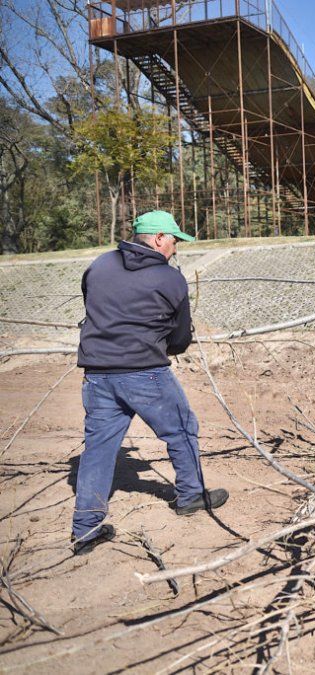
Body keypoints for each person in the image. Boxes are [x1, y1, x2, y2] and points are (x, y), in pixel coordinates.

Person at [72, 210, 228, 554]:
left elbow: (93, 308)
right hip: (145, 372)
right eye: (174, 241)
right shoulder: (169, 278)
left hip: (97, 374)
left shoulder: (100, 265)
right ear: (159, 238)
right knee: (182, 429)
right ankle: (190, 495)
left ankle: (86, 528)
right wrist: (161, 347)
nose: (175, 248)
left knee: (97, 449)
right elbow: (180, 339)